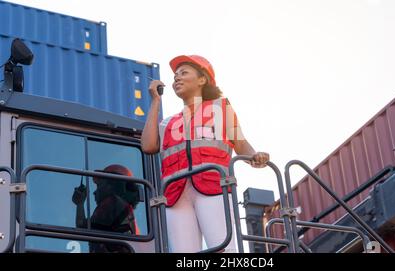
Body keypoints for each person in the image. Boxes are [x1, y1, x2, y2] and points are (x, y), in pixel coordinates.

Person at [141, 55, 270, 253]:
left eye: (184, 73)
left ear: (202, 79)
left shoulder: (220, 108)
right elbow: (148, 145)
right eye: (175, 75)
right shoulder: (168, 122)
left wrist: (254, 156)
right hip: (176, 194)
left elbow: (240, 142)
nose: (177, 78)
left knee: (223, 249)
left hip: (213, 187)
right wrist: (155, 101)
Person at [72, 164, 140, 253]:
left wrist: (80, 203)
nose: (94, 192)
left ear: (112, 185)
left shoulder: (113, 202)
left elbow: (81, 227)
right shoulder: (123, 209)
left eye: (99, 185)